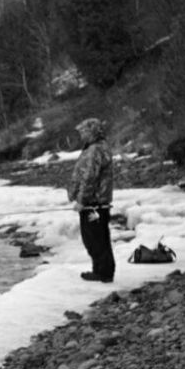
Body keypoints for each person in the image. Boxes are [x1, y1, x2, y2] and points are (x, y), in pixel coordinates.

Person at [67, 118, 115, 283]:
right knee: (95, 238)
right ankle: (100, 270)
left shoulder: (95, 149)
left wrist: (82, 200)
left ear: (92, 132)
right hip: (95, 202)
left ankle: (104, 272)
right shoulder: (95, 148)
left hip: (94, 203)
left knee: (96, 239)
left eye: (84, 132)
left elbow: (89, 177)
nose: (81, 135)